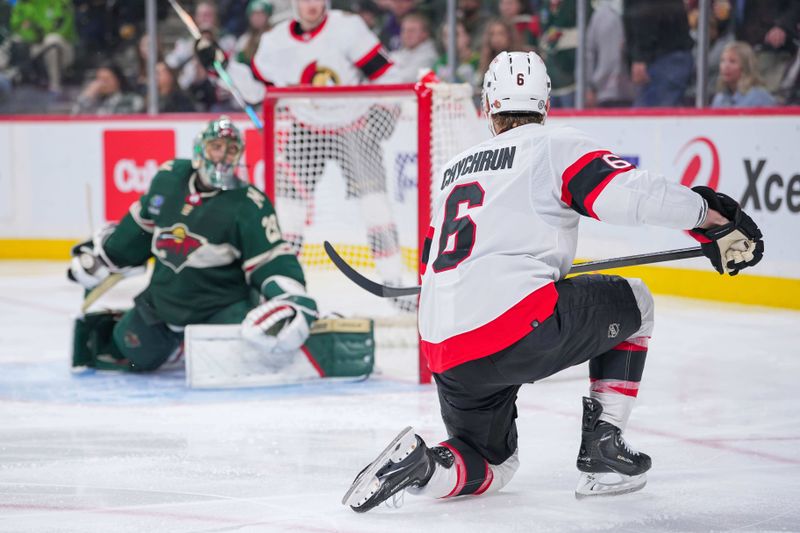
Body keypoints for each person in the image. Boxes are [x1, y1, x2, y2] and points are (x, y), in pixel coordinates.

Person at [342, 51, 764, 512]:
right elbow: (629, 196)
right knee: (636, 304)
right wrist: (709, 217)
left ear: (487, 106)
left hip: (444, 346)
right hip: (515, 325)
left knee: (490, 465)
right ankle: (603, 454)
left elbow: (430, 263)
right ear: (546, 102)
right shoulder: (553, 146)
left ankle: (424, 465)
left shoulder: (452, 170)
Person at [197, 0, 416, 311]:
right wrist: (221, 64)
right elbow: (256, 91)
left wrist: (387, 109)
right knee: (288, 214)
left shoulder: (348, 28)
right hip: (305, 128)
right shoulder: (276, 42)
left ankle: (394, 285)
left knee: (376, 207)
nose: (312, 5)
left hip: (352, 126)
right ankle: (282, 284)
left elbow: (386, 74)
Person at [68, 116, 318, 372]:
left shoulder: (249, 204)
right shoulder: (169, 179)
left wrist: (290, 296)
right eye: (216, 146)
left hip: (220, 308)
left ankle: (201, 337)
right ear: (200, 148)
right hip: (163, 302)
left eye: (232, 150)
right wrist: (102, 257)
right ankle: (166, 341)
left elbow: (271, 259)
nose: (223, 156)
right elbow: (140, 230)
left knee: (236, 360)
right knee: (133, 355)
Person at [624, 0, 694, 107]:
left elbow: (646, 12)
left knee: (649, 116)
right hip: (665, 54)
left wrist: (640, 57)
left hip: (664, 56)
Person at [9, 0, 76, 96]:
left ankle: (55, 85)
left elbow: (64, 28)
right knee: (14, 40)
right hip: (39, 43)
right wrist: (33, 37)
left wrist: (43, 33)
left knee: (52, 41)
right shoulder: (29, 3)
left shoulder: (63, 2)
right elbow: (20, 26)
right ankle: (8, 76)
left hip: (64, 48)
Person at [585, 0, 634, 108]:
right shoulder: (600, 16)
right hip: (603, 92)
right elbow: (590, 53)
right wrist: (590, 88)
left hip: (633, 91)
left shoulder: (634, 11)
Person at [711, 41, 776, 107]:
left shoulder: (759, 97)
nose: (725, 66)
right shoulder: (719, 99)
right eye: (723, 61)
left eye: (732, 61)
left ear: (745, 67)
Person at [72, 62, 144, 115]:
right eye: (99, 79)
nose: (101, 84)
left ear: (118, 80)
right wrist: (87, 96)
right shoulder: (93, 102)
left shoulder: (131, 100)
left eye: (106, 79)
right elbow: (76, 116)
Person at [388, 12, 437, 82]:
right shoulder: (399, 53)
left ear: (425, 34)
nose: (407, 34)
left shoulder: (429, 56)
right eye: (404, 30)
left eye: (412, 31)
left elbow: (406, 80)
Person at [234, 0, 272, 66]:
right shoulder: (244, 39)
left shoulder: (274, 36)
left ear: (267, 16)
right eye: (254, 15)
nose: (257, 18)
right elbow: (237, 62)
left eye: (261, 14)